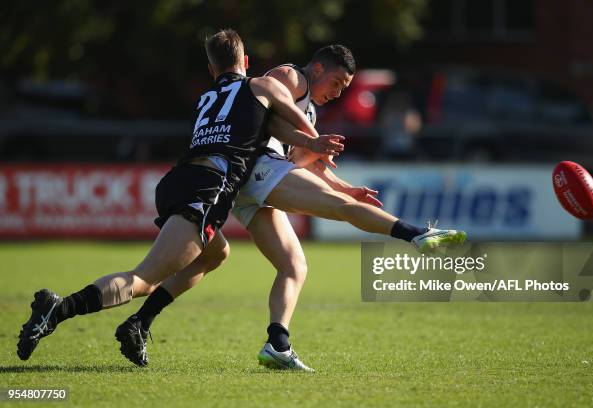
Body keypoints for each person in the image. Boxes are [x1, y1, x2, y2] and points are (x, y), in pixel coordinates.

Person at [116, 45, 467, 371]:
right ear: (317, 67)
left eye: (346, 87)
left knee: (293, 265)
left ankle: (274, 344)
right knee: (339, 209)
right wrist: (326, 167)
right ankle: (417, 234)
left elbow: (301, 160)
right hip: (255, 167)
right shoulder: (291, 77)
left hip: (249, 183)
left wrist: (346, 186)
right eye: (337, 82)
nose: (339, 92)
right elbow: (267, 121)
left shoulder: (309, 106)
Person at [15, 29, 345, 362]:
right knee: (142, 279)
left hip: (178, 181)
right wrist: (317, 145)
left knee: (216, 254)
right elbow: (288, 122)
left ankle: (139, 323)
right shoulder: (258, 87)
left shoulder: (205, 99)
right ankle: (56, 311)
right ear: (246, 62)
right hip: (207, 188)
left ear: (210, 70)